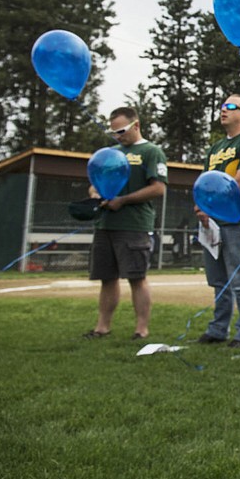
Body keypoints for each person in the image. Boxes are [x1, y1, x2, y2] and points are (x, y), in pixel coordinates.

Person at [83, 107, 167, 340]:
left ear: (136, 125)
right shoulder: (110, 153)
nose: (118, 136)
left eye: (121, 130)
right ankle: (102, 327)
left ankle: (141, 329)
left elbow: (158, 188)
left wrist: (123, 201)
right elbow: (95, 182)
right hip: (105, 224)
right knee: (106, 277)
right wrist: (95, 194)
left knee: (136, 277)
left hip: (134, 225)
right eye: (113, 132)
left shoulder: (151, 152)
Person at [196, 94, 240, 347]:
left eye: (231, 107)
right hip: (211, 224)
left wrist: (208, 201)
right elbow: (203, 184)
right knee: (218, 281)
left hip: (236, 222)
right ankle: (218, 329)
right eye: (222, 106)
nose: (223, 110)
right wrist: (201, 207)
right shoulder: (215, 148)